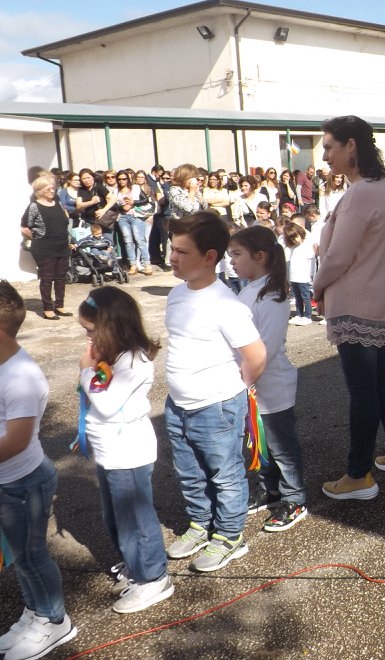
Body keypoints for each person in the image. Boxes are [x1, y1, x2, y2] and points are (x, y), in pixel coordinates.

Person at [313, 115, 385, 500]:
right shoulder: (382, 187)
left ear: (350, 145)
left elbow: (337, 257)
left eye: (328, 148)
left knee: (363, 390)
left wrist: (317, 287)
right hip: (379, 300)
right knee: (381, 381)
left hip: (358, 302)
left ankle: (359, 474)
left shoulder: (359, 193)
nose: (325, 157)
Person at [163, 212, 267, 571]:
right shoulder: (176, 294)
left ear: (209, 257)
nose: (172, 258)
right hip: (178, 405)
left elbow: (255, 355)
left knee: (224, 474)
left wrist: (238, 387)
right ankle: (199, 524)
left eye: (181, 251)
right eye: (171, 249)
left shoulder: (226, 304)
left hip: (216, 406)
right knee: (189, 473)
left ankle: (229, 535)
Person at [75, 287, 173, 613]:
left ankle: (153, 578)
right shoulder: (113, 357)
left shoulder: (134, 361)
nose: (88, 340)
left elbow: (105, 403)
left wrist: (86, 370)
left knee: (136, 521)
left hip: (128, 454)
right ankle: (136, 565)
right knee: (116, 518)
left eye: (91, 332)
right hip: (110, 453)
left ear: (111, 327)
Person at [0, 281, 78, 659]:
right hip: (7, 482)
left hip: (24, 483)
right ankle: (34, 613)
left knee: (32, 555)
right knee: (20, 556)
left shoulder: (21, 376)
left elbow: (15, 440)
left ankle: (55, 621)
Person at [230, 226, 308, 532]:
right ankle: (270, 489)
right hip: (252, 383)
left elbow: (268, 346)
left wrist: (245, 377)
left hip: (270, 384)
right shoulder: (248, 290)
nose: (232, 261)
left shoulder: (272, 296)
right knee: (261, 444)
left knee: (281, 445)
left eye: (237, 254)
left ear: (260, 257)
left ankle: (294, 497)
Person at [20, 174, 72, 321]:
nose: (52, 190)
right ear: (40, 190)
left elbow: (63, 221)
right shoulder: (34, 207)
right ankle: (48, 309)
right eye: (48, 188)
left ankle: (60, 306)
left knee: (61, 277)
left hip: (62, 246)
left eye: (53, 187)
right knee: (47, 278)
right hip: (44, 249)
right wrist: (38, 238)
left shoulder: (57, 203)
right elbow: (24, 227)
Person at [283, 221, 316, 326]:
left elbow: (312, 262)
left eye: (296, 236)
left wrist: (311, 275)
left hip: (304, 277)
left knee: (306, 297)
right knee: (298, 298)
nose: (295, 240)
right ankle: (299, 314)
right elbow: (286, 256)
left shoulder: (306, 245)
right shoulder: (291, 248)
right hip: (294, 277)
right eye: (292, 238)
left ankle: (307, 316)